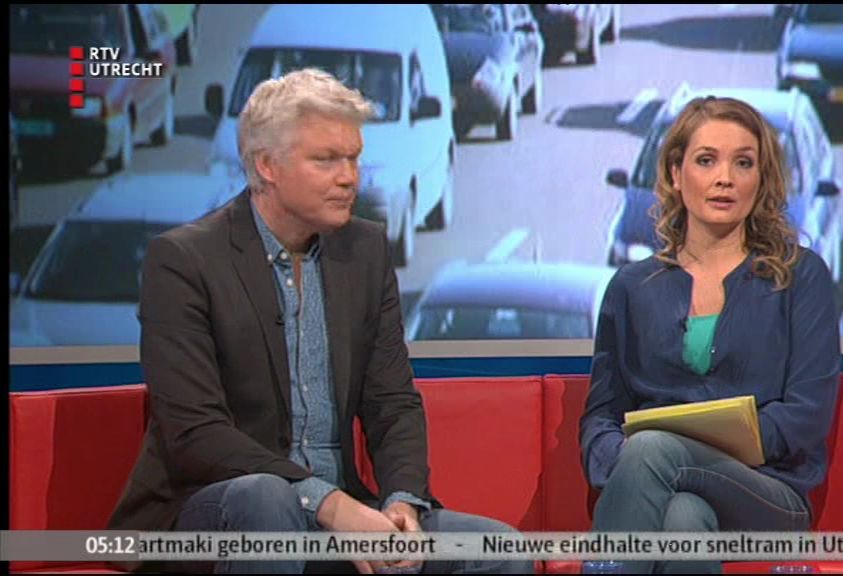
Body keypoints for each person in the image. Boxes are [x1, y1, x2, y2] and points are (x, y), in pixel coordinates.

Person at [107, 68, 531, 575]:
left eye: (353, 157)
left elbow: (392, 403)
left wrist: (402, 503)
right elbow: (196, 433)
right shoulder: (185, 260)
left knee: (498, 550)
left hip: (343, 514)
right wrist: (327, 503)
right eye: (326, 159)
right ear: (267, 165)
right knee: (267, 499)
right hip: (212, 513)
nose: (350, 177)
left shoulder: (365, 251)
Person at [580, 95, 841, 574]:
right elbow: (602, 416)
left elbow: (807, 413)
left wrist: (672, 449)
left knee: (653, 448)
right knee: (683, 518)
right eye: (706, 161)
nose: (725, 178)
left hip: (768, 493)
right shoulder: (632, 287)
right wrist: (623, 461)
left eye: (743, 163)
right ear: (676, 174)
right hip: (659, 483)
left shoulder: (799, 277)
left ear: (761, 179)